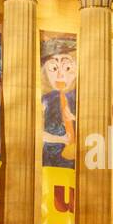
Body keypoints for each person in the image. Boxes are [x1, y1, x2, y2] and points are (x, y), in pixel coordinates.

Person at [40, 37, 77, 168]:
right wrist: (60, 139)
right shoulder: (45, 100)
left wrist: (75, 118)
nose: (60, 75)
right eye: (53, 68)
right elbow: (37, 132)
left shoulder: (78, 97)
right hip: (50, 162)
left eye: (67, 67)